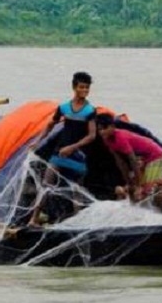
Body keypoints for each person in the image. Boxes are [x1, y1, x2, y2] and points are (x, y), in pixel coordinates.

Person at [28, 71, 97, 226]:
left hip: (77, 155)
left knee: (76, 191)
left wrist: (72, 148)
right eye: (82, 87)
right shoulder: (64, 107)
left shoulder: (90, 111)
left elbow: (91, 136)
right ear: (74, 88)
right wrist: (38, 141)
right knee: (46, 185)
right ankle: (34, 218)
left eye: (87, 88)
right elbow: (51, 124)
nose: (85, 91)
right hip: (59, 153)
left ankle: (77, 224)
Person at [96, 113, 162, 212]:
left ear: (112, 126)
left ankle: (153, 213)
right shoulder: (107, 140)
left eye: (104, 128)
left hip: (157, 156)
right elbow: (120, 162)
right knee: (134, 188)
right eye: (99, 129)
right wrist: (129, 182)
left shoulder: (120, 137)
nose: (101, 132)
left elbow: (132, 159)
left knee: (144, 189)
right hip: (146, 158)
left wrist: (138, 186)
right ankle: (135, 211)